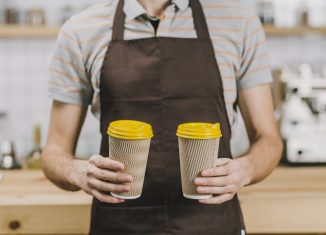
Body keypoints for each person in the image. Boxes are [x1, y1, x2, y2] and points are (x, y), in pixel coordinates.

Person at [41, 0, 283, 234]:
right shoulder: (81, 30)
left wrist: (245, 169)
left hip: (211, 225)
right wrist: (78, 172)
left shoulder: (239, 23)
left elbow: (268, 139)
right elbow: (54, 151)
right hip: (121, 226)